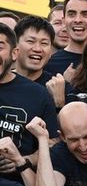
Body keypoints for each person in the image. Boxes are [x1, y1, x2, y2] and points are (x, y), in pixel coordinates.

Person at [0, 23, 59, 175]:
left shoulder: (39, 94)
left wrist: (23, 161)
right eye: (31, 41)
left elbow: (52, 143)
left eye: (0, 46)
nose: (37, 48)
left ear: (14, 53)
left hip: (18, 185)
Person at [44, 0, 87, 75]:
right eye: (72, 14)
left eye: (85, 14)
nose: (78, 20)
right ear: (64, 20)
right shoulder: (48, 64)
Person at [12, 16, 56, 87]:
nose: (37, 49)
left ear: (51, 51)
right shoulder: (3, 80)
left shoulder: (59, 87)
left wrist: (59, 97)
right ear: (15, 45)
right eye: (31, 41)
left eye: (44, 43)